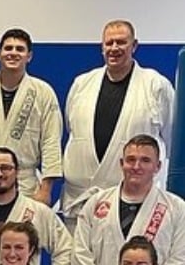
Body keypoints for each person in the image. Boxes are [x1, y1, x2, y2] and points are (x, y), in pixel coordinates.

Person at [62, 20, 174, 232]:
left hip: (136, 200)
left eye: (121, 42)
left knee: (134, 253)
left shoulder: (156, 85)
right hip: (80, 199)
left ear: (134, 45)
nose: (114, 48)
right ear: (102, 47)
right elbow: (72, 129)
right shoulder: (82, 84)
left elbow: (171, 138)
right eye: (109, 43)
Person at [71, 135, 185, 265]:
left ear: (158, 166)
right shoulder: (96, 203)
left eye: (145, 160)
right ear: (121, 163)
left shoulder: (176, 208)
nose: (136, 166)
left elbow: (181, 260)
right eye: (131, 160)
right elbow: (80, 254)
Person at [0, 28, 63, 203]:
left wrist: (46, 189)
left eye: (20, 49)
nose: (13, 53)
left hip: (24, 183)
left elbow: (51, 141)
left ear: (29, 56)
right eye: (8, 48)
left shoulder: (43, 92)